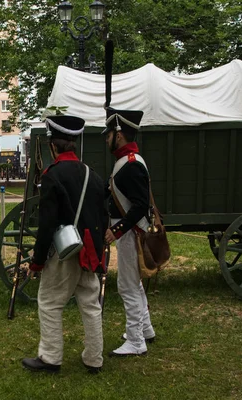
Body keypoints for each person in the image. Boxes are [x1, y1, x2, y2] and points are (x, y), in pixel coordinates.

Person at [22, 115, 108, 374]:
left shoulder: (52, 175)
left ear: (53, 146)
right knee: (91, 305)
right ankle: (94, 359)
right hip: (90, 250)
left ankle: (50, 358)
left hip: (65, 251)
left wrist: (37, 261)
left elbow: (47, 224)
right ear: (74, 144)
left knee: (49, 302)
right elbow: (102, 216)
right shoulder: (92, 175)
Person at [102, 108, 156, 357]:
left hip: (130, 233)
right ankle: (145, 330)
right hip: (130, 232)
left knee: (127, 287)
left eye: (109, 134)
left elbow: (140, 205)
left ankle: (135, 341)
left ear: (119, 134)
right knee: (134, 284)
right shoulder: (127, 160)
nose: (106, 139)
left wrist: (117, 229)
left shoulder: (131, 164)